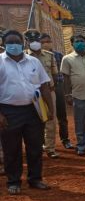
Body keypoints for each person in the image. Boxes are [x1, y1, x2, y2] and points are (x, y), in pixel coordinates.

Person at [0, 29, 53, 194]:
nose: (14, 45)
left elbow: (44, 86)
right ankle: (13, 181)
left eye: (17, 41)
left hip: (33, 110)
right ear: (3, 44)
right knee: (12, 148)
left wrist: (50, 109)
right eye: (10, 42)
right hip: (8, 111)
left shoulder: (34, 62)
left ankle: (35, 179)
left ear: (23, 43)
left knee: (35, 146)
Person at [60, 33, 85, 156]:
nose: (80, 43)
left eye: (82, 41)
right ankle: (81, 146)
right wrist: (67, 94)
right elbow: (65, 78)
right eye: (77, 41)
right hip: (78, 95)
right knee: (80, 122)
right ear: (72, 44)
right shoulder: (67, 59)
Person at [25, 30, 59, 158]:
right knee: (33, 121)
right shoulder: (23, 57)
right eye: (31, 41)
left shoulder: (49, 56)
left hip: (48, 92)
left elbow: (55, 75)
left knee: (51, 120)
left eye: (37, 40)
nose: (34, 43)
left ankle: (50, 148)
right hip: (31, 94)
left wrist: (51, 88)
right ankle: (36, 148)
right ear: (27, 42)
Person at [41, 33, 72, 150]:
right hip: (42, 89)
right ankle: (45, 142)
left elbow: (61, 74)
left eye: (48, 41)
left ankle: (65, 139)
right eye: (43, 42)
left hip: (57, 87)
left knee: (61, 115)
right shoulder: (35, 57)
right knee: (44, 115)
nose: (46, 44)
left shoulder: (58, 55)